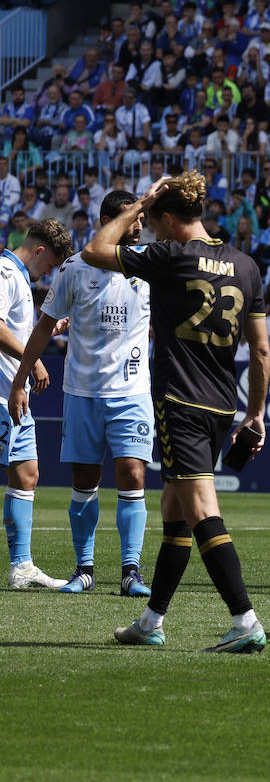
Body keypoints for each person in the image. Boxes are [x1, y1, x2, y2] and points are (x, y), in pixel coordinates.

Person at [85, 171, 270, 652]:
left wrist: (135, 204)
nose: (149, 229)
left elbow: (95, 250)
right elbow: (263, 351)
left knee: (202, 510)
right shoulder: (247, 266)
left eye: (153, 220)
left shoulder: (170, 257)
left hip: (180, 400)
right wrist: (255, 414)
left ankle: (245, 619)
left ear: (168, 217)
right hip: (221, 404)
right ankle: (150, 623)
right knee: (174, 511)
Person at [8, 193, 151, 596]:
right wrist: (20, 380)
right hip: (83, 393)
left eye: (141, 219)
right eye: (131, 219)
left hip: (132, 392)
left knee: (133, 474)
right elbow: (41, 329)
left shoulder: (151, 267)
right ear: (108, 221)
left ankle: (130, 572)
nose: (139, 227)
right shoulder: (74, 268)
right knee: (84, 481)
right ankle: (84, 570)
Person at [0, 220, 72, 589]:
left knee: (27, 474)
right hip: (1, 392)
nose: (49, 273)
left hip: (16, 392)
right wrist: (35, 358)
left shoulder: (21, 279)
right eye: (51, 264)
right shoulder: (6, 272)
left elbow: (14, 328)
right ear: (41, 250)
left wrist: (50, 330)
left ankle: (22, 567)